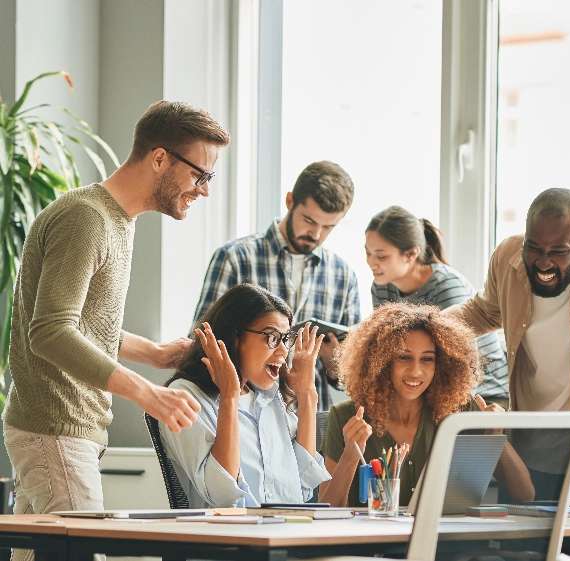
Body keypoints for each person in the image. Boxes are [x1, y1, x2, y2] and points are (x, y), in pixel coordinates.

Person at [3, 101, 230, 528]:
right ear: (160, 157)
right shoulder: (86, 219)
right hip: (56, 429)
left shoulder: (116, 221)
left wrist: (156, 354)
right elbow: (50, 331)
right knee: (84, 551)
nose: (203, 190)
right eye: (201, 175)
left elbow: (83, 323)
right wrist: (149, 394)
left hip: (59, 430)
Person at [445, 188, 570, 498]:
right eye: (533, 247)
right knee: (516, 544)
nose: (543, 262)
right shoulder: (508, 258)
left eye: (559, 251)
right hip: (524, 446)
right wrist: (422, 326)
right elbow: (483, 311)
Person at [318, 303, 532, 508]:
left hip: (443, 542)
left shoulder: (460, 410)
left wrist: (495, 437)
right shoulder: (347, 416)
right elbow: (327, 509)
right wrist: (350, 456)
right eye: (404, 357)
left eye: (427, 359)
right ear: (381, 361)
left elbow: (525, 494)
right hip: (372, 543)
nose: (416, 371)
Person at [193, 161, 360, 410]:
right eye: (309, 220)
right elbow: (202, 341)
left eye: (328, 227)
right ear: (290, 201)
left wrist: (335, 365)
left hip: (311, 422)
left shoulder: (343, 275)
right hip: (245, 416)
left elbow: (353, 375)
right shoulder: (236, 258)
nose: (316, 234)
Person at [160, 284, 331, 507]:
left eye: (285, 339)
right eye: (271, 337)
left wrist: (307, 393)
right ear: (234, 337)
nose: (282, 351)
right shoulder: (185, 397)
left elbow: (302, 488)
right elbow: (222, 494)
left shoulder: (269, 399)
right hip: (231, 537)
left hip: (284, 531)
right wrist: (230, 397)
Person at [366, 206, 509, 408]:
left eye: (381, 256)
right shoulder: (381, 287)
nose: (371, 263)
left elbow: (464, 371)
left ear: (411, 254)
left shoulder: (447, 286)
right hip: (429, 388)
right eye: (368, 253)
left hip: (484, 396)